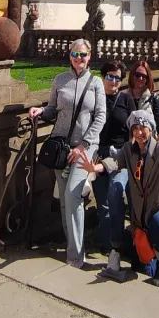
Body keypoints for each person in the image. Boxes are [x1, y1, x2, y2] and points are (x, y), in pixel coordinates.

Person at [78, 110, 159, 288]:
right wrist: (96, 168)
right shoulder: (129, 150)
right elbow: (115, 161)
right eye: (135, 128)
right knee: (144, 269)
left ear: (150, 128)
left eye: (142, 128)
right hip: (141, 224)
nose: (138, 132)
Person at [29, 38, 106, 268]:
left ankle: (76, 254)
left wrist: (83, 146)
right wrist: (41, 111)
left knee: (73, 195)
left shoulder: (96, 83)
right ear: (69, 55)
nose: (78, 58)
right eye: (75, 54)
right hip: (61, 148)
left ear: (89, 56)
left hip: (84, 148)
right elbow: (53, 109)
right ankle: (71, 243)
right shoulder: (60, 80)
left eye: (82, 54)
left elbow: (100, 117)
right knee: (64, 199)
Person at [92, 60, 135, 255]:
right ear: (103, 77)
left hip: (119, 154)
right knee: (102, 200)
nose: (114, 81)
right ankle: (107, 245)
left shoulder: (126, 100)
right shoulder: (95, 98)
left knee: (115, 195)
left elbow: (134, 130)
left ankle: (116, 241)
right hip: (98, 153)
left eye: (118, 78)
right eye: (110, 76)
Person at [125, 60, 159, 140]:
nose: (140, 78)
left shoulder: (153, 98)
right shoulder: (124, 98)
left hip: (149, 143)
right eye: (137, 75)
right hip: (128, 143)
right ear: (132, 75)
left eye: (144, 76)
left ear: (148, 79)